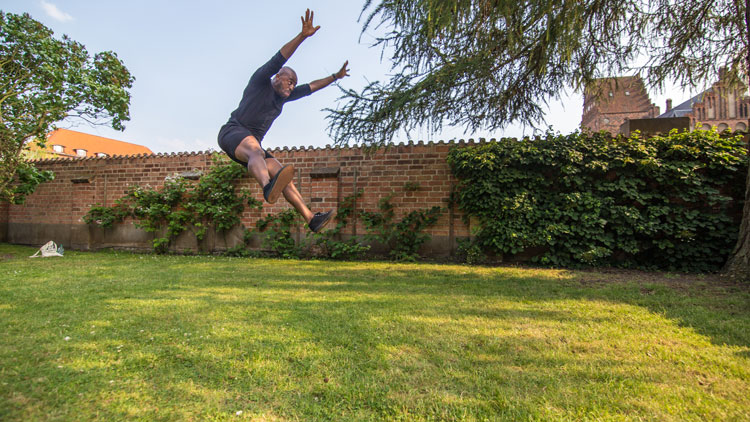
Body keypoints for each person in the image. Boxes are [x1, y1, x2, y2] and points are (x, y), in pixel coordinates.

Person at [218, 9, 349, 233]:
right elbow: (280, 57)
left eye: (293, 84)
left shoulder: (283, 98)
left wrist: (335, 77)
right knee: (256, 151)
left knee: (283, 176)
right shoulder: (261, 80)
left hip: (251, 148)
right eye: (289, 81)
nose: (291, 86)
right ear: (278, 76)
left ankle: (310, 218)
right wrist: (302, 36)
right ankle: (267, 186)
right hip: (233, 132)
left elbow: (312, 87)